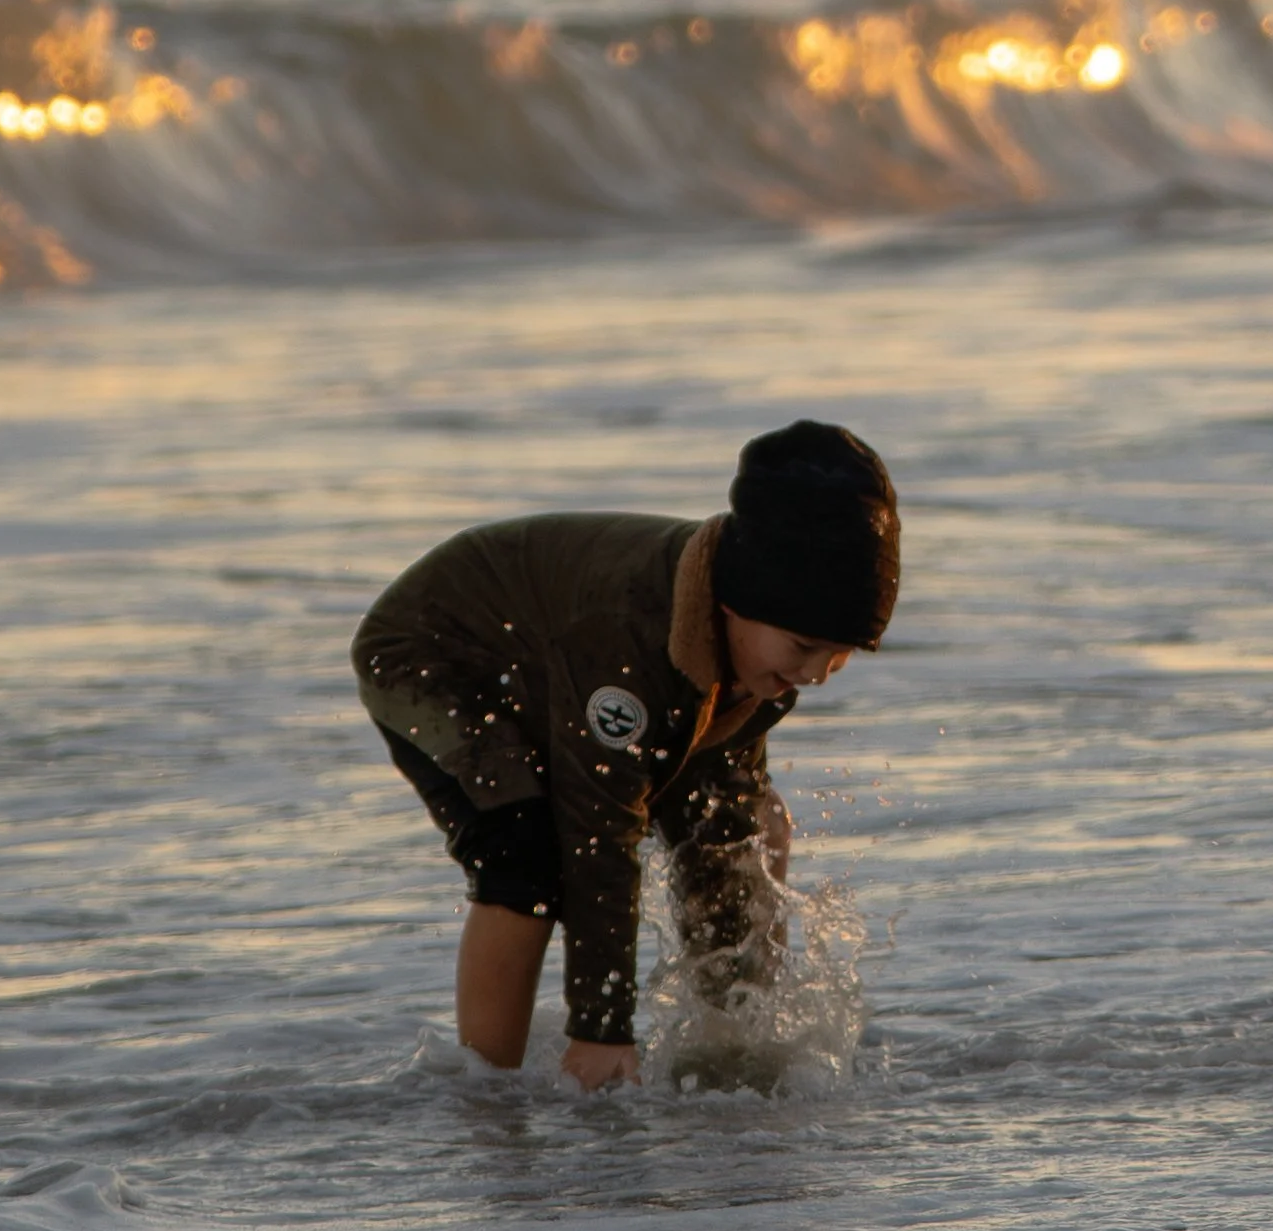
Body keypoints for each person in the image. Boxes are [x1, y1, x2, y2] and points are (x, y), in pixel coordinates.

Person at [351, 419, 901, 1091]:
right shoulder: (625, 641)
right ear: (733, 603)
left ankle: (729, 1047)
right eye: (804, 648)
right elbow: (599, 837)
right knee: (527, 855)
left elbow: (721, 831)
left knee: (736, 835)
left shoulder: (764, 660)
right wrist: (599, 1030)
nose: (818, 674)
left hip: (564, 666)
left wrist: (746, 1053)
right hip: (438, 652)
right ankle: (485, 1093)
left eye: (841, 654)